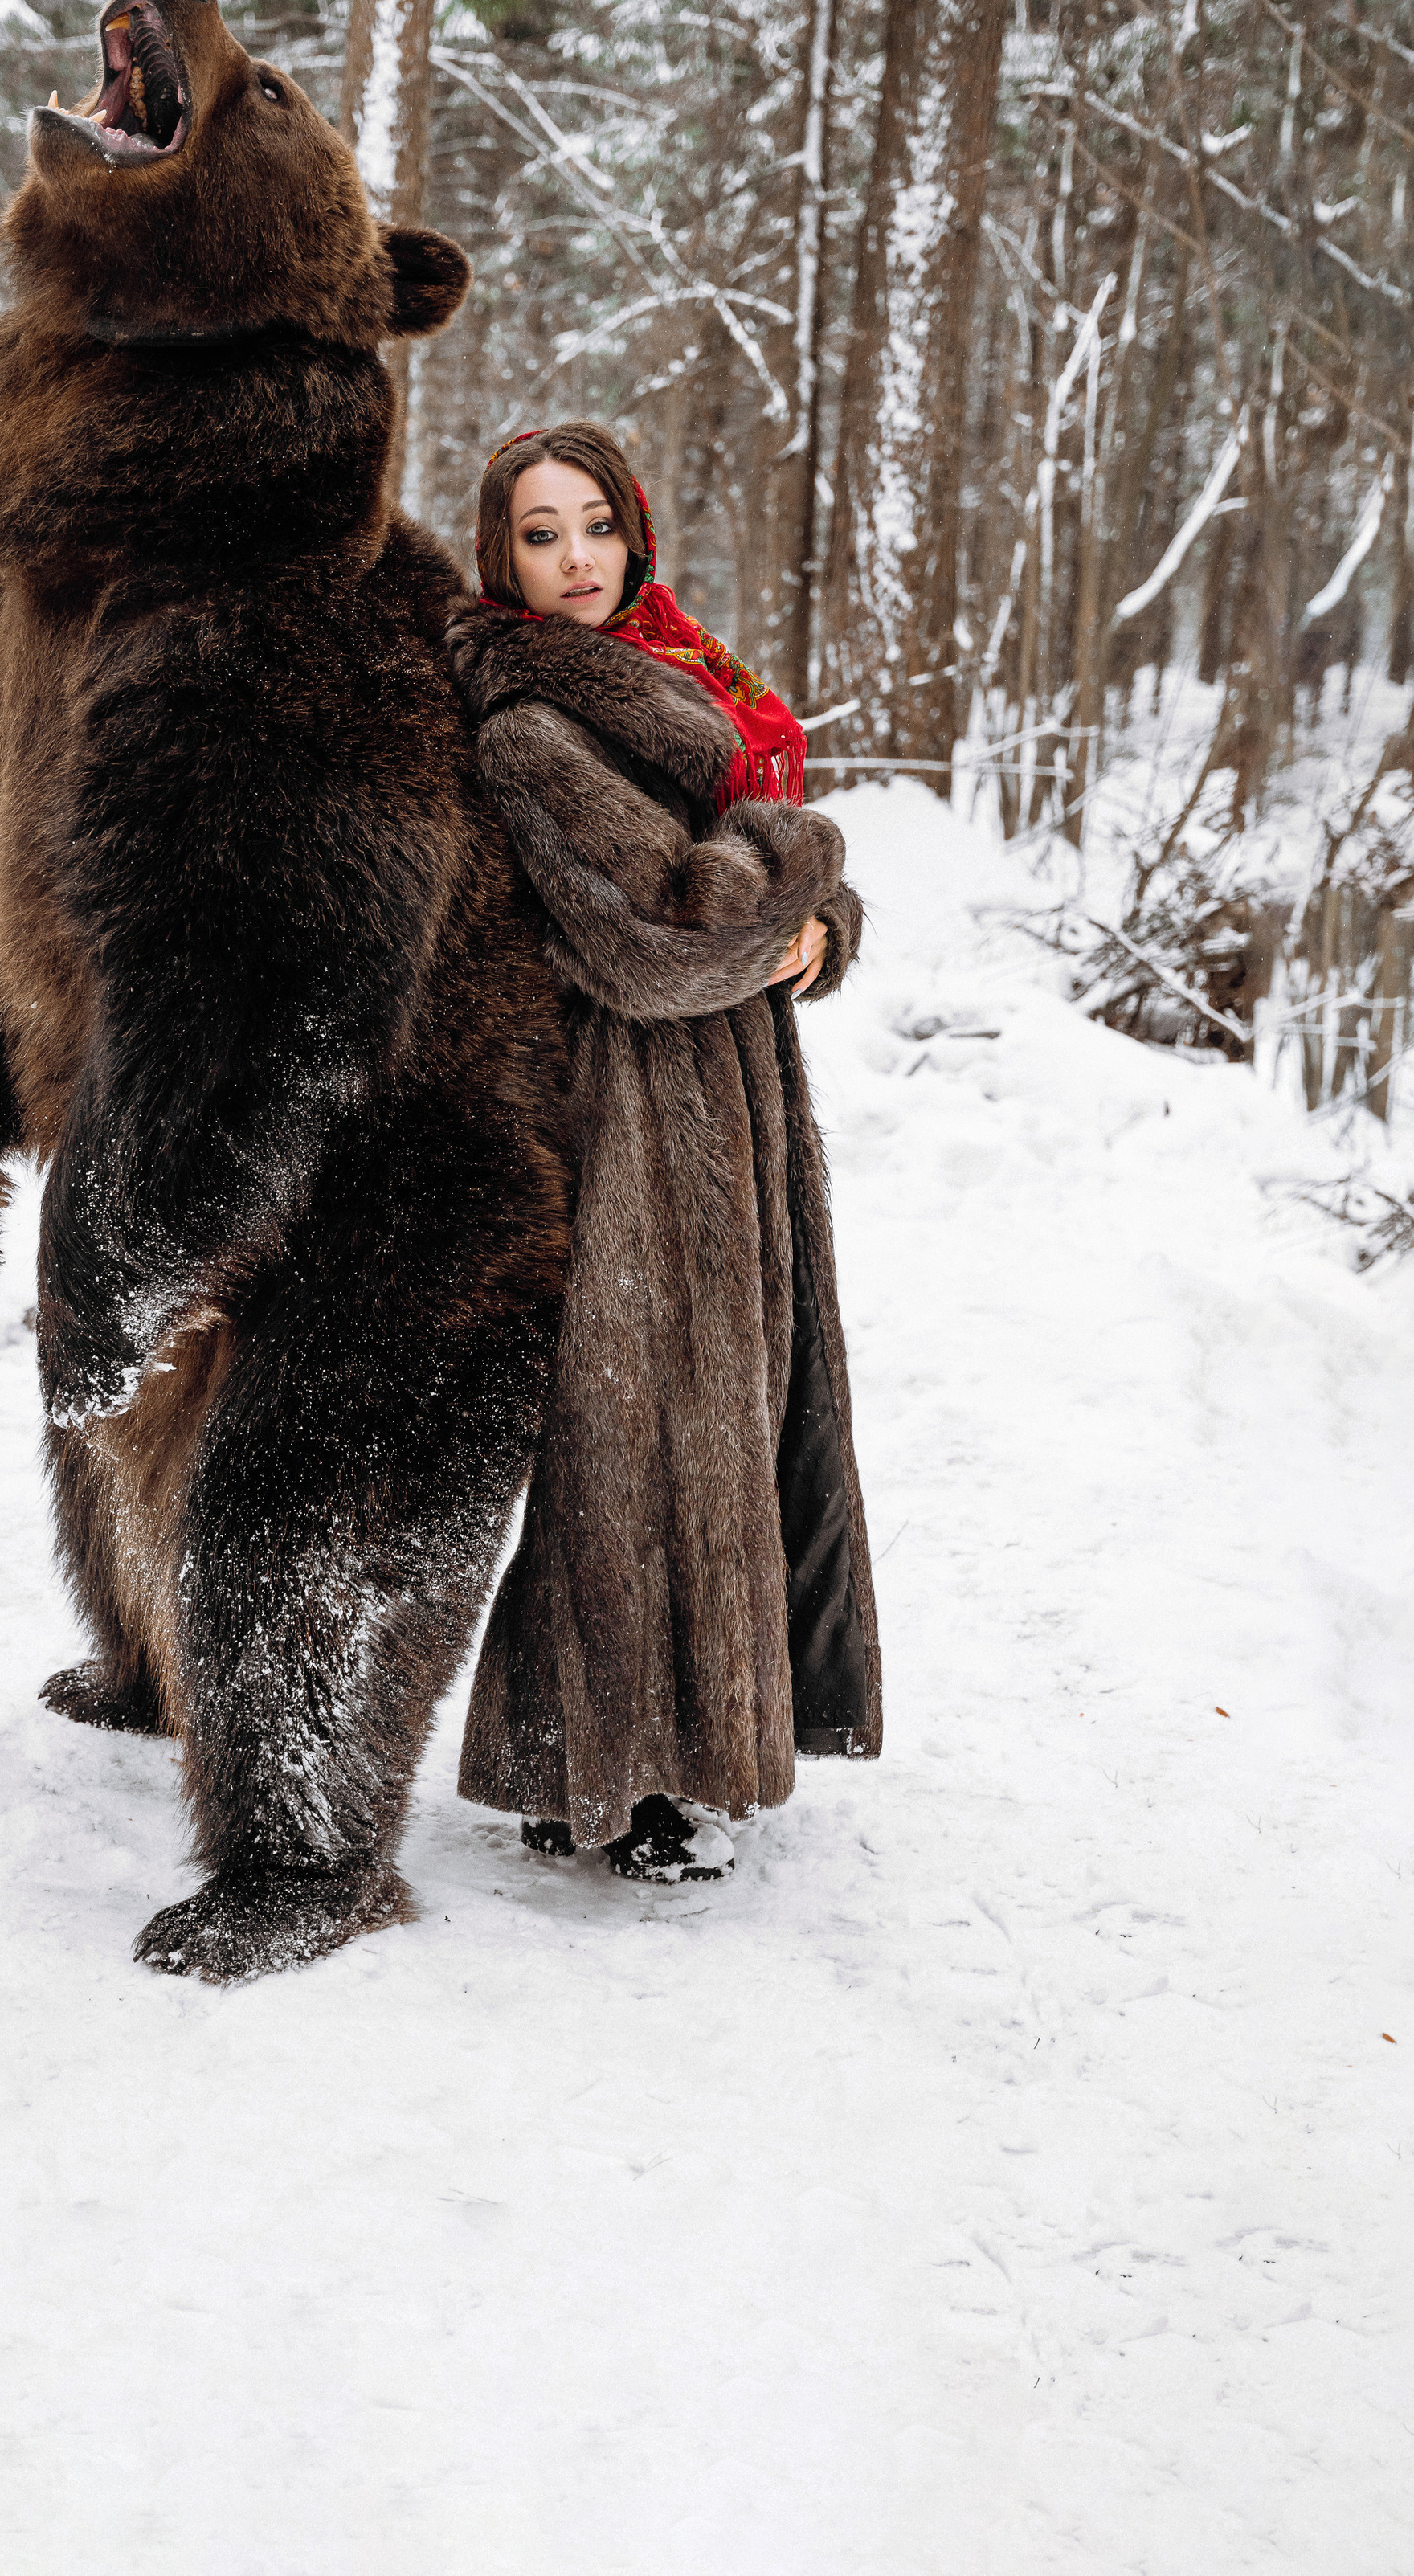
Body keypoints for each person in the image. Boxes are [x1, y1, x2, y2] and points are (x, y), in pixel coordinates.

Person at [448, 423, 881, 1884]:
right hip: (627, 1112)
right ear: (501, 556)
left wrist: (822, 930)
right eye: (539, 534)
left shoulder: (689, 685)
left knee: (732, 1427)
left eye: (595, 528)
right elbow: (662, 936)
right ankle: (598, 1770)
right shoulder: (527, 722)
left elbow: (749, 915)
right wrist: (801, 866)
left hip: (737, 1107)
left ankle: (664, 1751)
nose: (575, 560)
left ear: (637, 534)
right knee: (626, 1441)